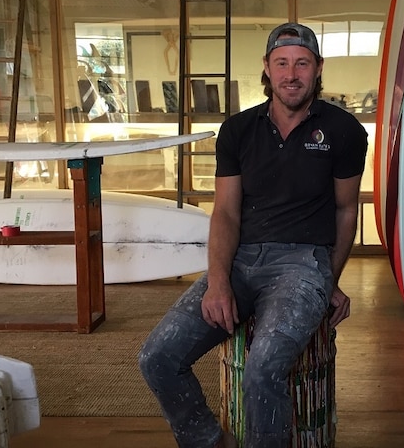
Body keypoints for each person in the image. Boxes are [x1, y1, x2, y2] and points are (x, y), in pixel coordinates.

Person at [139, 22, 369, 448]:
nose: (291, 73)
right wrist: (218, 281)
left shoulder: (345, 131)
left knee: (264, 366)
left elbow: (345, 209)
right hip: (242, 260)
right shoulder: (238, 131)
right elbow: (225, 212)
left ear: (318, 68)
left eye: (302, 63)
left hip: (303, 263)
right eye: (281, 63)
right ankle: (212, 442)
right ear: (266, 68)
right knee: (158, 357)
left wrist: (327, 283)